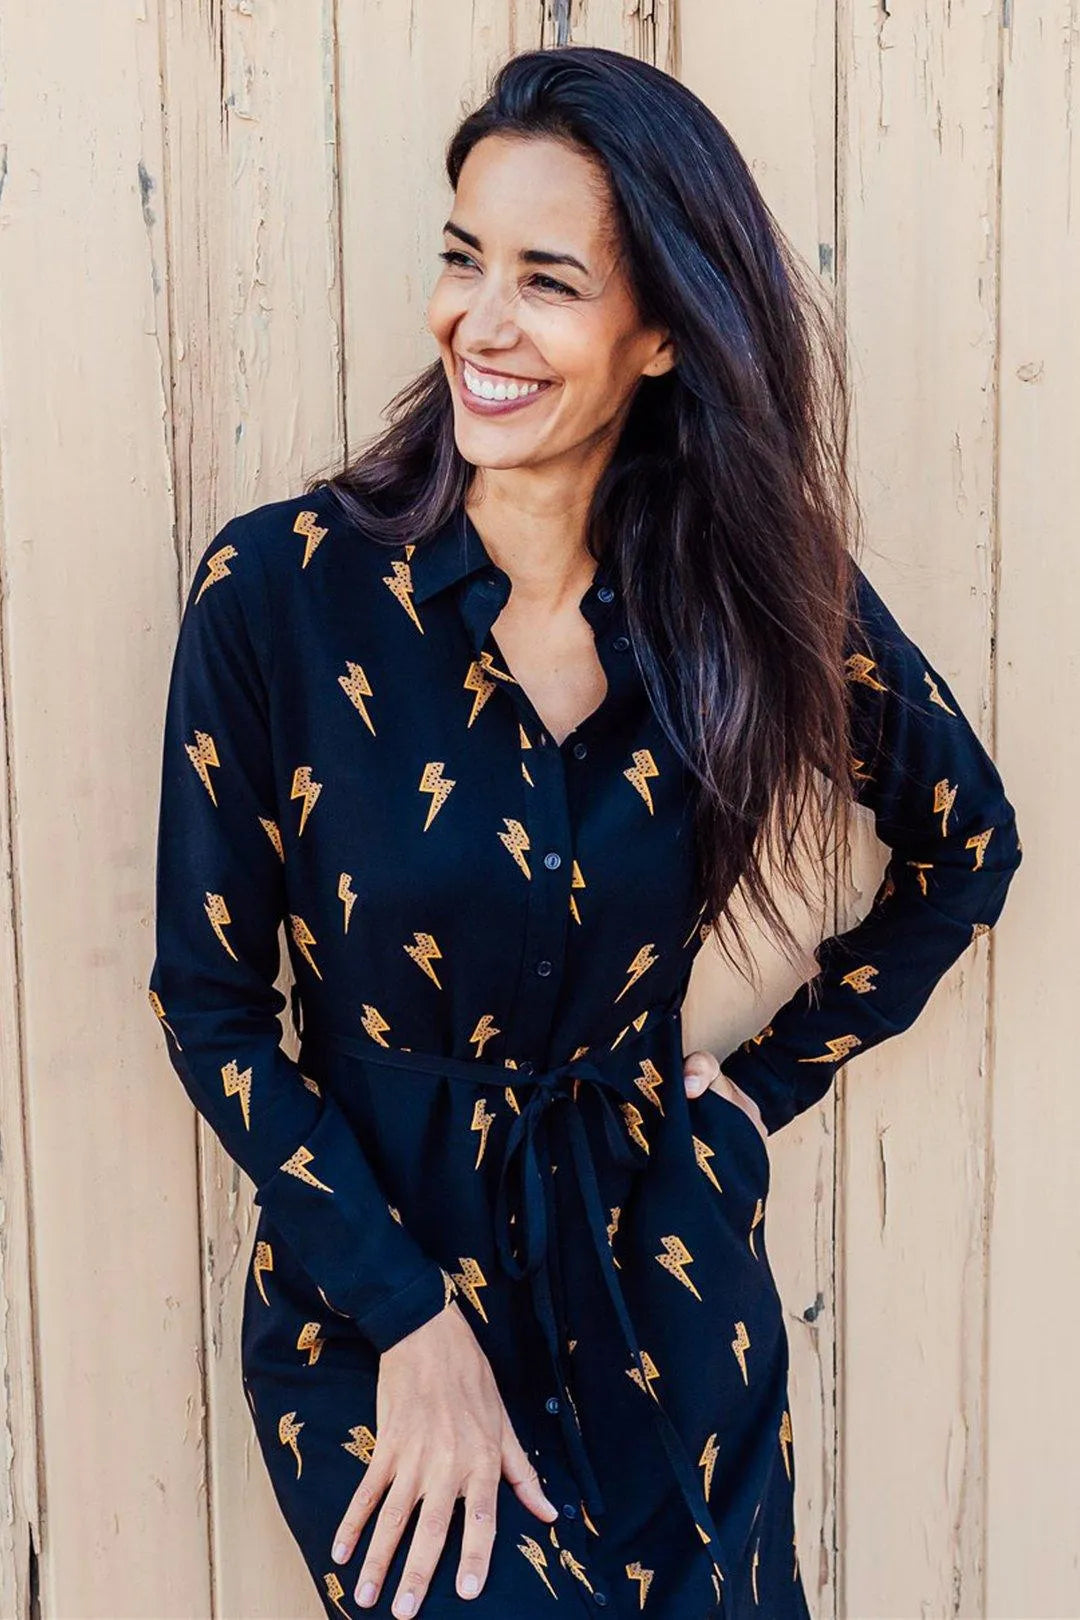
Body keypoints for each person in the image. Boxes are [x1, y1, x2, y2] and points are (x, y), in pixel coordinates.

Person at [147, 44, 1021, 1620]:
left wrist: (759, 1095)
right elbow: (211, 1008)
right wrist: (408, 1325)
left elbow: (968, 847)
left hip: (663, 1292)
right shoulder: (278, 592)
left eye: (547, 281)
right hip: (381, 1304)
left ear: (663, 333)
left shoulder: (751, 598)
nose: (479, 322)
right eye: (462, 258)